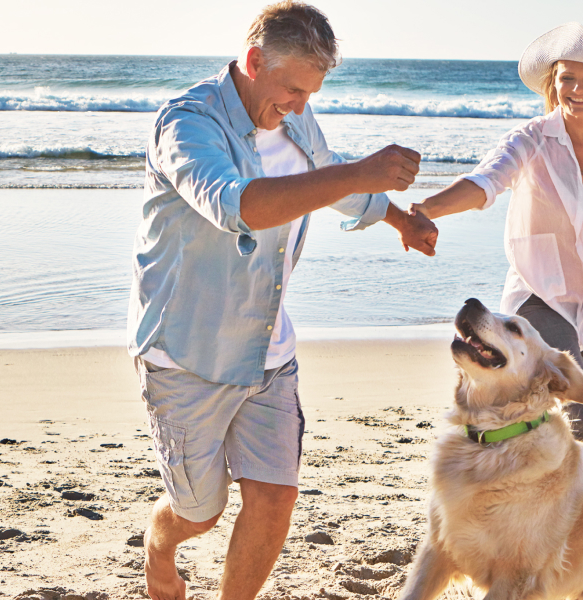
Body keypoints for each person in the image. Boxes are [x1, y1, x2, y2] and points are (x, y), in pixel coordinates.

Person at [127, 3, 439, 599]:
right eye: (293, 88)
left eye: (310, 92)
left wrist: (397, 217)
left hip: (269, 348)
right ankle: (159, 546)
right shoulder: (187, 124)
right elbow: (238, 207)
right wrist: (358, 173)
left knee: (275, 499)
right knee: (199, 514)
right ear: (252, 62)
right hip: (187, 353)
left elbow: (321, 177)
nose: (299, 104)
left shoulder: (295, 114)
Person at [412, 22, 583, 444]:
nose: (578, 88)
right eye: (567, 77)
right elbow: (485, 182)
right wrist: (425, 210)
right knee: (582, 419)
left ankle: (538, 498)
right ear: (552, 83)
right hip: (541, 297)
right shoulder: (532, 139)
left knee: (562, 423)